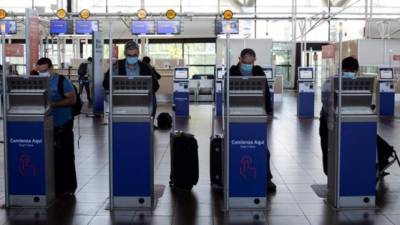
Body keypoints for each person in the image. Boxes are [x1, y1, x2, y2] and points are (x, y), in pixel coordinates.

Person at [229, 48, 276, 193]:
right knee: (237, 146)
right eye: (245, 61)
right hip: (236, 113)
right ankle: (234, 177)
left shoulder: (259, 71)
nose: (248, 64)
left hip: (257, 112)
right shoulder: (232, 71)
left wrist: (269, 111)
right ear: (240, 59)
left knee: (261, 148)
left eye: (251, 61)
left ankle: (266, 178)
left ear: (254, 60)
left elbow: (266, 91)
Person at [36, 57, 77, 196]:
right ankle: (52, 187)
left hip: (62, 124)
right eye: (39, 71)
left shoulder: (61, 81)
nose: (42, 73)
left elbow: (72, 99)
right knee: (49, 157)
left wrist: (54, 104)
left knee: (65, 157)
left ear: (51, 68)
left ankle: (68, 188)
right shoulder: (38, 81)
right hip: (45, 125)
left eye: (45, 70)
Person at [319, 56, 359, 176]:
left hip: (344, 121)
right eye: (348, 71)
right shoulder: (332, 81)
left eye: (352, 71)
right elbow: (325, 102)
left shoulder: (357, 82)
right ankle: (331, 176)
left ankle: (335, 174)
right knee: (328, 148)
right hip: (329, 121)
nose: (350, 74)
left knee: (331, 149)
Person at [103, 41, 160, 118]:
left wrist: (145, 91)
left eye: (134, 55)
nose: (132, 57)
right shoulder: (117, 66)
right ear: (125, 54)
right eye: (129, 55)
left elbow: (155, 85)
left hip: (142, 102)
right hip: (121, 102)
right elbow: (106, 84)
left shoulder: (145, 67)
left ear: (138, 53)